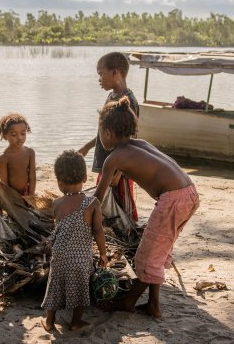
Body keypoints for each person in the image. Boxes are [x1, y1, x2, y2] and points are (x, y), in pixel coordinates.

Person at [94, 97, 200, 320]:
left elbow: (97, 198)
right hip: (189, 193)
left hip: (172, 200)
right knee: (158, 251)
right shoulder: (140, 145)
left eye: (100, 131)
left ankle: (128, 301)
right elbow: (115, 181)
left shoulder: (113, 157)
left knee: (146, 255)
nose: (99, 136)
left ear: (109, 133)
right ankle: (153, 305)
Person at [41, 150, 108, 332]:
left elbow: (60, 229)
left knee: (54, 288)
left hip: (60, 257)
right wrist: (103, 254)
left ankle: (49, 321)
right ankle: (76, 322)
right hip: (81, 259)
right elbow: (98, 231)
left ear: (59, 182)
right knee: (80, 290)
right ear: (85, 177)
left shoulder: (56, 204)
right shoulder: (93, 203)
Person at [79, 52, 139, 221]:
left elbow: (130, 138)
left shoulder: (129, 101)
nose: (99, 79)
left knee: (123, 202)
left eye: (101, 73)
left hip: (120, 166)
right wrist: (87, 147)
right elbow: (105, 130)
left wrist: (119, 172)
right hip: (107, 162)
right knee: (105, 200)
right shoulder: (111, 96)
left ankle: (130, 232)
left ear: (116, 72)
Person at [0, 113, 36, 196]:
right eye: (14, 135)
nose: (20, 138)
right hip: (11, 193)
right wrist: (10, 198)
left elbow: (32, 177)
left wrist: (31, 196)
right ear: (5, 136)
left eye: (23, 133)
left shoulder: (30, 152)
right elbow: (4, 182)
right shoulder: (4, 157)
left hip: (26, 191)